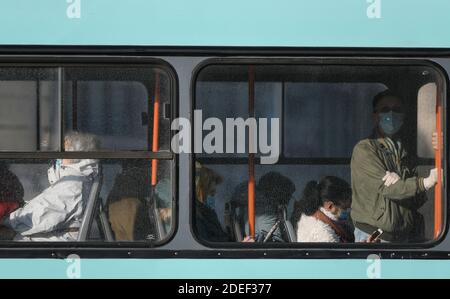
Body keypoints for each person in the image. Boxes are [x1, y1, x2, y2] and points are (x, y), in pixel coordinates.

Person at [351, 90, 438, 243]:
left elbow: (415, 198)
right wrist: (424, 182)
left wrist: (403, 181)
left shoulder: (403, 151)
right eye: (385, 110)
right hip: (374, 237)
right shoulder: (365, 149)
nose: (391, 115)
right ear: (375, 116)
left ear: (403, 116)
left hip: (402, 237)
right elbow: (388, 188)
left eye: (397, 110)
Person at [2, 132, 100, 241]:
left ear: (74, 156)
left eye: (62, 153)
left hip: (55, 243)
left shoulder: (72, 184)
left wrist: (6, 220)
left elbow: (37, 218)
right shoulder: (76, 181)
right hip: (55, 236)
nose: (57, 158)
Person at [234, 171, 296, 242]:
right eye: (288, 195)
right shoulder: (266, 213)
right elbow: (274, 242)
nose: (289, 199)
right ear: (279, 192)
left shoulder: (253, 206)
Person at [292, 176, 353, 243]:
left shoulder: (309, 217)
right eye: (345, 208)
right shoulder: (325, 235)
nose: (349, 210)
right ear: (330, 206)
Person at [194, 162, 230, 242]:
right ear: (200, 189)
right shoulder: (195, 215)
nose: (213, 195)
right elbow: (207, 243)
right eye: (211, 192)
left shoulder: (207, 212)